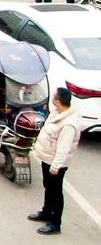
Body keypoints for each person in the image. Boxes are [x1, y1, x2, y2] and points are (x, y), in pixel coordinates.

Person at [29, 87, 82, 235]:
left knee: (56, 191)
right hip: (47, 158)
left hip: (55, 163)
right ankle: (46, 212)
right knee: (48, 187)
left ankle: (55, 223)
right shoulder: (57, 114)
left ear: (58, 101)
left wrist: (56, 166)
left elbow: (63, 149)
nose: (52, 99)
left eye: (54, 97)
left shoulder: (68, 125)